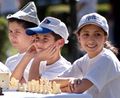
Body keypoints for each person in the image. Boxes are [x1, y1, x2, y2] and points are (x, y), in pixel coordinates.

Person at [54, 13, 120, 98]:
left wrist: (64, 86)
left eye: (97, 34)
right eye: (86, 34)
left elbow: (79, 89)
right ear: (79, 38)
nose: (91, 39)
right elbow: (54, 82)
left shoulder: (106, 59)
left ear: (105, 38)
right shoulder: (83, 61)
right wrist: (70, 80)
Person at [10, 16, 71, 82]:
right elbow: (12, 83)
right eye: (37, 38)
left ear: (60, 43)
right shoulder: (39, 62)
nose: (38, 43)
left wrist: (37, 60)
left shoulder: (63, 69)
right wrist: (27, 56)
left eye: (45, 39)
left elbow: (33, 88)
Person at [5, 2, 40, 82]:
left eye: (17, 32)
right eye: (10, 31)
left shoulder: (39, 59)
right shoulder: (10, 60)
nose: (12, 36)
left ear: (32, 35)